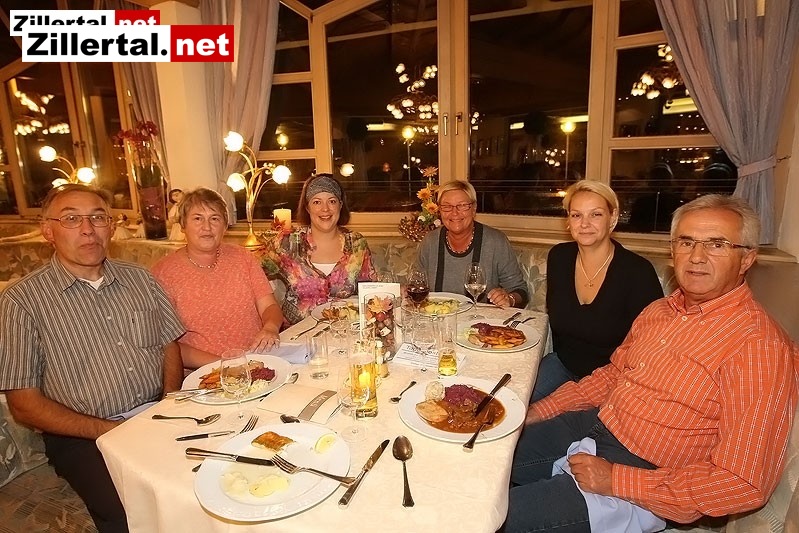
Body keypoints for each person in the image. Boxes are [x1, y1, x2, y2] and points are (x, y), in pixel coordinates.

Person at [506, 194, 799, 532]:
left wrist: (618, 480)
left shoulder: (758, 346)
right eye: (686, 242)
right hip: (594, 424)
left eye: (717, 244)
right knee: (481, 459)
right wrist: (538, 411)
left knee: (490, 516)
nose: (697, 256)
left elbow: (742, 482)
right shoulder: (660, 311)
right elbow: (612, 376)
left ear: (747, 258)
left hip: (646, 470)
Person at [0, 184, 185, 533]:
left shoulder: (141, 279)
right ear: (48, 231)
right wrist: (110, 430)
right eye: (71, 219)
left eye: (98, 218)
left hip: (155, 411)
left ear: (111, 227)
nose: (88, 229)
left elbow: (168, 343)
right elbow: (23, 405)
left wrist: (169, 401)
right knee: (129, 512)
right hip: (84, 434)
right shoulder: (21, 301)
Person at [532, 180, 663, 401]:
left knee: (543, 421)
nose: (585, 224)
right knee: (506, 405)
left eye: (596, 214)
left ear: (613, 218)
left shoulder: (637, 272)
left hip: (613, 380)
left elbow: (650, 349)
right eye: (576, 215)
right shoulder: (559, 258)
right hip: (562, 365)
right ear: (568, 221)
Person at [152, 187, 283, 369]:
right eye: (197, 218)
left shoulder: (242, 257)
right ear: (183, 225)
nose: (207, 227)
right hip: (205, 373)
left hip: (257, 361)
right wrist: (226, 365)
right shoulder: (163, 273)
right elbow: (167, 344)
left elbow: (269, 306)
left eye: (214, 218)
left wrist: (270, 328)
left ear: (225, 226)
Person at [260, 174, 377, 325]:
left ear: (340, 205)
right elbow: (254, 275)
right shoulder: (285, 243)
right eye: (317, 202)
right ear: (307, 208)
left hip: (344, 331)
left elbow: (370, 290)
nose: (325, 209)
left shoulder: (357, 244)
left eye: (332, 201)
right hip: (297, 334)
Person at [416, 179, 527, 307]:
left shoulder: (496, 242)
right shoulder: (430, 242)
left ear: (474, 209)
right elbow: (417, 284)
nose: (454, 213)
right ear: (439, 211)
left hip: (482, 318)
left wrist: (509, 298)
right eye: (447, 206)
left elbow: (520, 290)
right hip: (438, 317)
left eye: (462, 205)